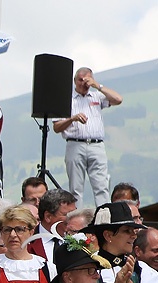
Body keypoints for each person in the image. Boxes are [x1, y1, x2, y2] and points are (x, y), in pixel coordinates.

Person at [53, 67, 123, 207]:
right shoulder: (66, 99)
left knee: (101, 186)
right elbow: (56, 127)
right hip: (75, 144)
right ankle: (76, 216)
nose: (84, 84)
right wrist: (72, 119)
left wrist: (97, 86)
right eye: (81, 80)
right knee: (76, 188)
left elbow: (118, 99)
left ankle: (103, 215)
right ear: (75, 81)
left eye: (87, 80)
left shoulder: (96, 96)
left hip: (96, 145)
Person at [27, 189, 78, 273]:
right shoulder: (28, 241)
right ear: (48, 216)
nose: (73, 219)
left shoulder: (80, 238)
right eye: (67, 215)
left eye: (75, 213)